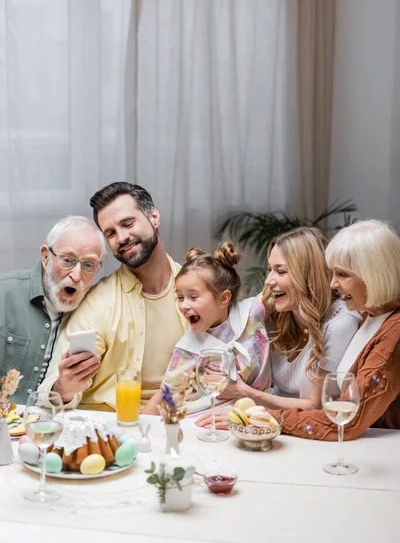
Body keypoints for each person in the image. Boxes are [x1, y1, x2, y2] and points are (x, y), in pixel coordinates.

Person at [197, 220, 400, 439]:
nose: (332, 284)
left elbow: (343, 421)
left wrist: (258, 418)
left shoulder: (386, 330)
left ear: (373, 276)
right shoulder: (369, 316)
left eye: (342, 275)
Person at [39, 182, 187, 411]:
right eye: (110, 233)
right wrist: (64, 388)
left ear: (154, 217)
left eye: (128, 224)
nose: (122, 237)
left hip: (179, 423)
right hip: (112, 430)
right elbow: (50, 390)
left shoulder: (197, 288)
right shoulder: (99, 302)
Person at [143, 242, 271, 415]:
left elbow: (285, 288)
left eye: (193, 297)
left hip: (260, 410)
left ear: (223, 298)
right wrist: (140, 427)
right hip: (205, 420)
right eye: (180, 297)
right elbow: (166, 393)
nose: (184, 306)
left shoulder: (252, 313)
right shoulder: (188, 348)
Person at [0, 216, 106, 403]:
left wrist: (66, 389)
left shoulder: (88, 312)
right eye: (68, 260)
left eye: (88, 265)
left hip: (45, 424)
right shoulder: (4, 293)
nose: (75, 275)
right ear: (46, 256)